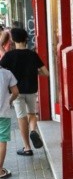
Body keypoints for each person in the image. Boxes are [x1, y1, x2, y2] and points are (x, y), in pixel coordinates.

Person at [0, 28, 48, 156]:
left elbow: (1, 70)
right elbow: (46, 73)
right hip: (31, 90)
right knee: (32, 114)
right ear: (26, 39)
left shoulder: (9, 56)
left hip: (17, 92)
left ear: (13, 40)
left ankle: (27, 148)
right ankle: (33, 130)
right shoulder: (33, 54)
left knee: (21, 117)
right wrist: (35, 71)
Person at [0, 63, 19, 179]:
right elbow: (15, 92)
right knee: (2, 140)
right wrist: (9, 101)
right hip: (3, 112)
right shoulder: (7, 73)